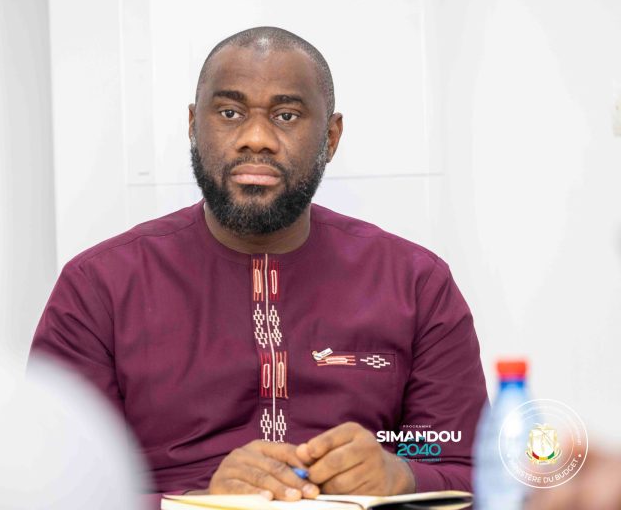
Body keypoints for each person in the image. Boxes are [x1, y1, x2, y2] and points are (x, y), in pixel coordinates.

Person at [30, 26, 487, 503]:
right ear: (193, 126)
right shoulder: (99, 288)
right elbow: (52, 487)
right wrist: (201, 502)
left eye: (286, 115)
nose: (256, 139)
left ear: (331, 137)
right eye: (230, 113)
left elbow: (464, 468)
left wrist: (403, 475)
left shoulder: (414, 284)